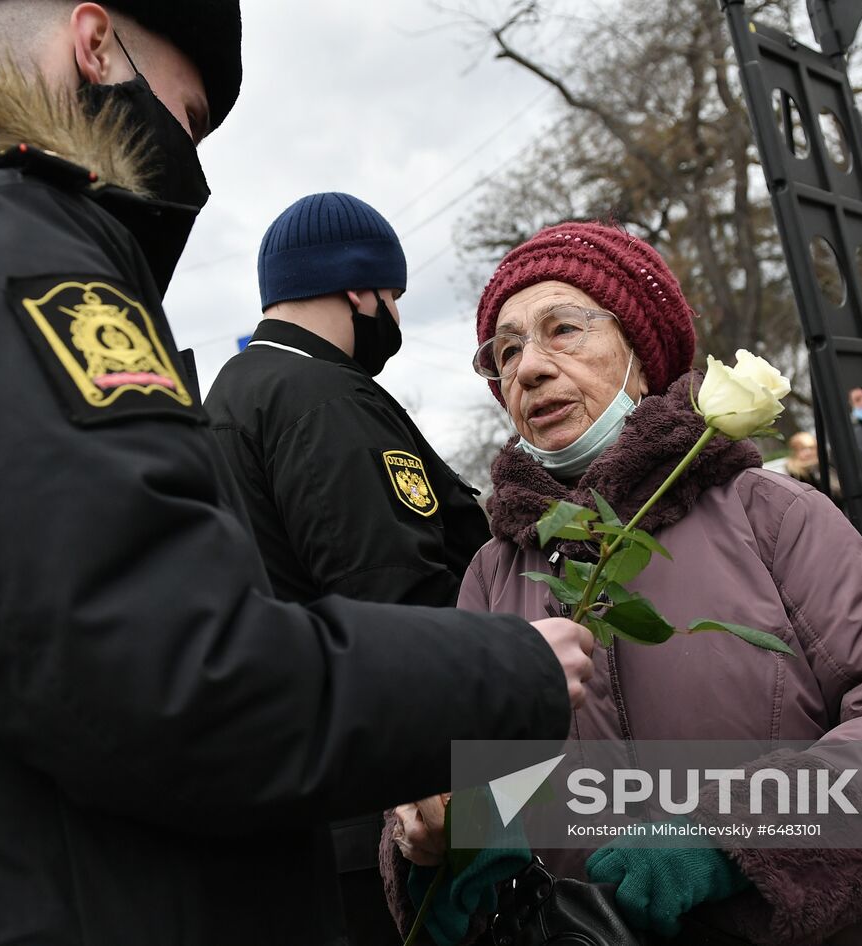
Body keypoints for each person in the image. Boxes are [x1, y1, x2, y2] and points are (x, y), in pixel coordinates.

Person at [0, 5, 598, 945]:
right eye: (188, 120)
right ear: (96, 44)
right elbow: (172, 673)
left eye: (568, 331)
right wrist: (510, 675)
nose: (188, 167)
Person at [382, 222, 862, 945]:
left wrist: (729, 840)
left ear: (644, 361)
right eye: (507, 351)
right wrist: (443, 845)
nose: (528, 370)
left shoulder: (769, 514)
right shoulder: (494, 571)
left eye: (563, 330)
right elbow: (481, 785)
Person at [206, 192, 494, 943]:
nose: (394, 319)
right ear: (359, 289)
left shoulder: (231, 397)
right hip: (383, 819)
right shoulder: (325, 399)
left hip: (288, 805)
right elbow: (398, 605)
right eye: (393, 298)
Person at [785, 430, 841, 499]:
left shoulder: (827, 463)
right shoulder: (796, 473)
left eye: (811, 448)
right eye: (802, 449)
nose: (808, 452)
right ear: (795, 452)